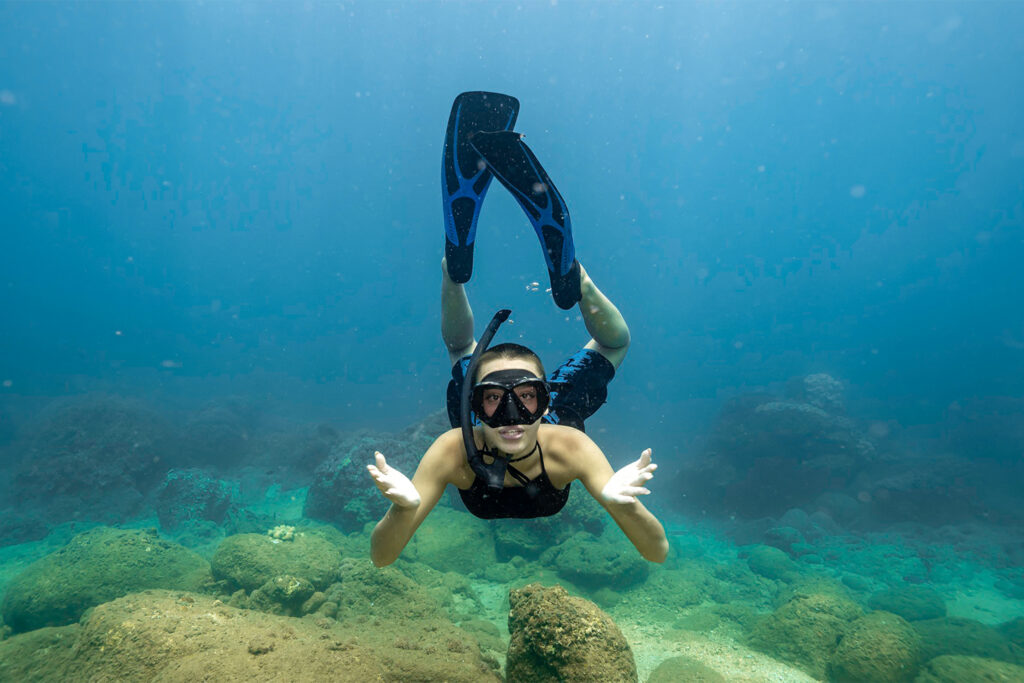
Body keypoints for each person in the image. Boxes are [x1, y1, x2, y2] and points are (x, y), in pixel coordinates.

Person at [367, 92, 668, 567]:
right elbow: (382, 557)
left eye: (527, 396)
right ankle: (514, 277)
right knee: (609, 344)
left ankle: (485, 273)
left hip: (551, 421)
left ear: (545, 398)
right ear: (476, 404)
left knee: (461, 349)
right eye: (492, 398)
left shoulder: (567, 446)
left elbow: (656, 551)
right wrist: (400, 511)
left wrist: (623, 505)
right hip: (493, 423)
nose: (511, 414)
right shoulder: (454, 450)